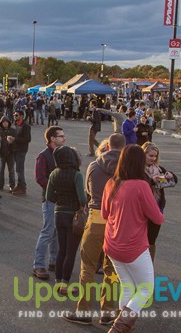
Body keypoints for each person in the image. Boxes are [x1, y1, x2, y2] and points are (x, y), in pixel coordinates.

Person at [64, 133, 125, 326]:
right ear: (124, 149)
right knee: (112, 268)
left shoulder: (94, 166)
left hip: (97, 217)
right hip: (118, 222)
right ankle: (108, 311)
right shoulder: (128, 169)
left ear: (107, 147)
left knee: (88, 266)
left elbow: (88, 192)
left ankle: (83, 310)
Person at [102, 145, 164, 333]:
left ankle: (125, 328)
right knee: (146, 289)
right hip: (133, 246)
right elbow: (157, 217)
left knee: (128, 286)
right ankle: (118, 329)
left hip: (112, 243)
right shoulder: (141, 186)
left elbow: (105, 214)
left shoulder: (111, 183)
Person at [46, 146, 86, 295]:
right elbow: (82, 199)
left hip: (59, 213)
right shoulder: (77, 175)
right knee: (71, 251)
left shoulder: (54, 174)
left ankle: (58, 282)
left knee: (61, 249)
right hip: (73, 215)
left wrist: (60, 199)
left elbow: (49, 197)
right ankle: (65, 283)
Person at [32, 126, 66, 280]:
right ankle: (38, 265)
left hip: (61, 200)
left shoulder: (62, 154)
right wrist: (55, 189)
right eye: (61, 136)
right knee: (48, 231)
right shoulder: (44, 156)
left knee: (57, 232)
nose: (64, 138)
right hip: (50, 199)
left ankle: (54, 260)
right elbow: (40, 177)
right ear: (53, 138)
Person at [142, 142, 177, 261]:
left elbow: (174, 180)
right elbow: (141, 186)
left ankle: (149, 262)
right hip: (143, 209)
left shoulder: (159, 169)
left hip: (157, 207)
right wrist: (152, 181)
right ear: (144, 154)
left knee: (152, 238)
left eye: (155, 156)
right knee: (141, 238)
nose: (153, 158)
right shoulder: (139, 170)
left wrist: (171, 175)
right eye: (150, 156)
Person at [11, 110, 31, 195]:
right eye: (14, 115)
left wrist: (15, 139)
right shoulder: (17, 124)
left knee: (20, 169)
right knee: (18, 169)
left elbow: (28, 139)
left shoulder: (25, 126)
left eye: (17, 115)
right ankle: (19, 185)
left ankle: (22, 187)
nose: (15, 117)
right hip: (16, 149)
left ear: (21, 116)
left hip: (21, 149)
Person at [0, 116, 16, 192]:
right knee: (1, 171)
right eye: (3, 122)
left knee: (11, 171)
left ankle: (12, 185)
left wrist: (13, 141)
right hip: (1, 154)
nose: (5, 123)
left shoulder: (13, 130)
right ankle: (0, 185)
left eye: (6, 122)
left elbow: (17, 141)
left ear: (9, 123)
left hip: (11, 153)